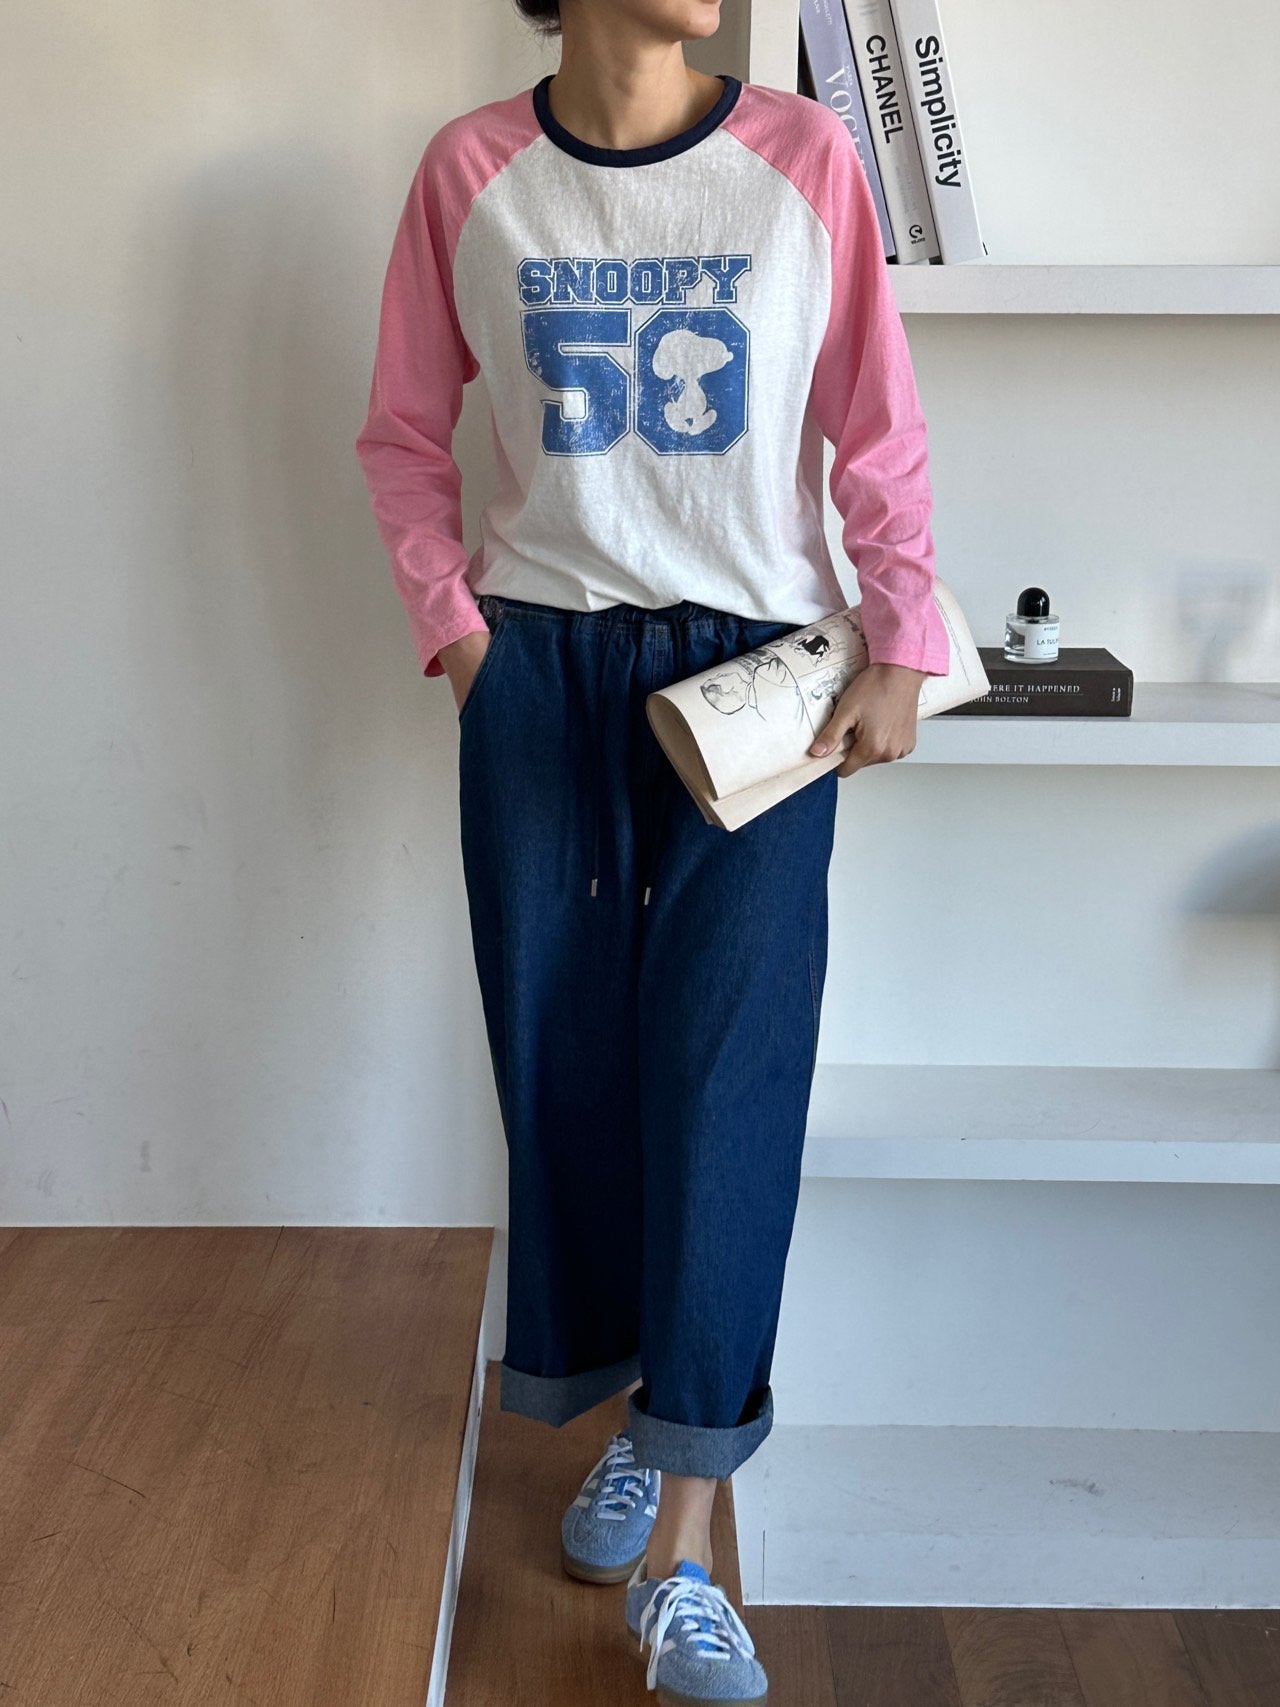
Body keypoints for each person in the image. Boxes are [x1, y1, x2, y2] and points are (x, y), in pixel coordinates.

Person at [354, 1, 951, 1698]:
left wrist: (904, 635)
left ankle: (685, 1537)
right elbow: (401, 433)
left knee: (724, 1085)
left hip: (756, 687)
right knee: (568, 1074)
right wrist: (461, 639)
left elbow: (876, 425)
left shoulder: (806, 158)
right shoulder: (471, 171)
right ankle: (632, 1413)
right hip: (539, 674)